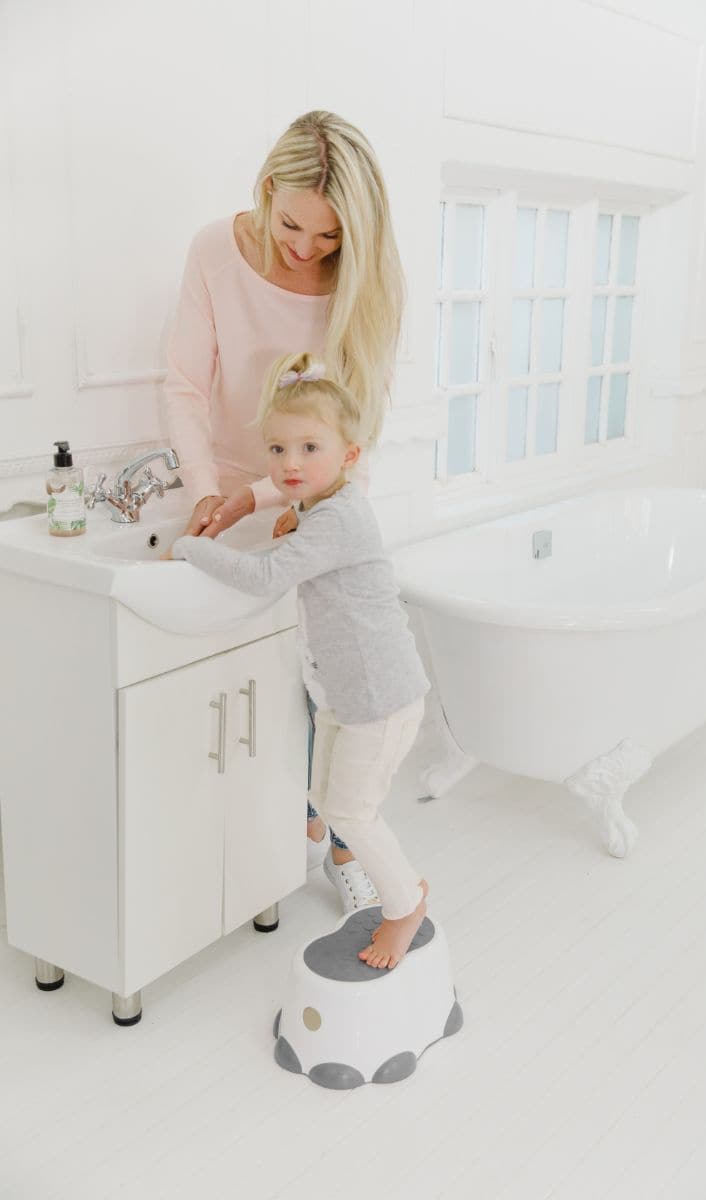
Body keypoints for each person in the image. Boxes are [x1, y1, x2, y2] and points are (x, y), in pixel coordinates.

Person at [163, 110, 404, 911]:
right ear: (266, 190)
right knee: (243, 681)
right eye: (293, 222)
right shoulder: (213, 250)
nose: (306, 248)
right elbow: (185, 385)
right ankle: (269, 835)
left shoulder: (365, 281)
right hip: (223, 494)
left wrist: (286, 499)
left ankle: (338, 834)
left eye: (330, 238)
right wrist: (209, 489)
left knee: (326, 681)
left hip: (318, 496)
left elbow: (351, 421)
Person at [167, 353, 430, 968]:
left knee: (353, 815)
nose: (290, 464)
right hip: (348, 696)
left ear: (349, 457)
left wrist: (189, 548)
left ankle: (405, 904)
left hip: (380, 700)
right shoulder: (321, 509)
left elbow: (264, 576)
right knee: (319, 794)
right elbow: (309, 539)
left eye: (309, 448)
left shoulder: (334, 520)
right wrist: (295, 513)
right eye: (278, 449)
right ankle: (348, 852)